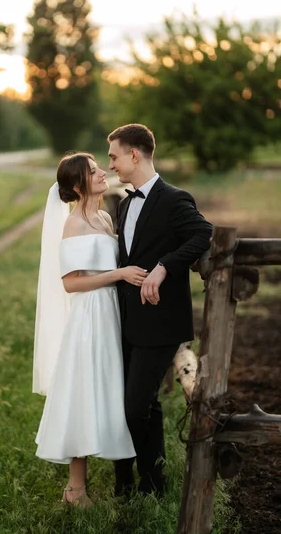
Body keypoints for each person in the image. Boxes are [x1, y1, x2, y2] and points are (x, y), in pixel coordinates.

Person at [33, 152, 147, 507]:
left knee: (103, 392)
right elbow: (71, 283)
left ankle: (102, 481)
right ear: (78, 184)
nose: (102, 173)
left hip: (110, 314)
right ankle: (75, 489)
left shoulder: (103, 217)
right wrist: (119, 275)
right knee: (83, 393)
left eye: (100, 167)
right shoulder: (74, 224)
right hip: (89, 318)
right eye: (93, 171)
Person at [107, 123, 213, 498]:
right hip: (126, 321)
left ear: (134, 154)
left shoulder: (174, 198)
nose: (111, 165)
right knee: (140, 404)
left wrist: (166, 265)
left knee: (135, 407)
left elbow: (204, 234)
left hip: (162, 322)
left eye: (114, 156)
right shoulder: (122, 203)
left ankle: (146, 481)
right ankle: (147, 484)